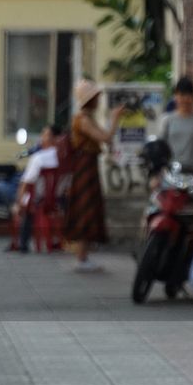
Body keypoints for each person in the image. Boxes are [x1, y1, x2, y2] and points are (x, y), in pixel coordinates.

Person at [63, 79, 123, 272]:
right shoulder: (83, 120)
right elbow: (105, 138)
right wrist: (114, 119)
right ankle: (81, 257)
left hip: (87, 166)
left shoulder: (86, 118)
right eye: (96, 98)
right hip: (85, 167)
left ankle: (84, 255)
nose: (98, 100)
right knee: (84, 211)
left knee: (89, 209)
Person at [11, 124, 60, 252]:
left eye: (45, 135)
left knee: (20, 197)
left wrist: (19, 202)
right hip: (60, 197)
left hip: (39, 198)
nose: (42, 138)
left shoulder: (38, 158)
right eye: (42, 134)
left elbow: (26, 182)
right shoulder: (64, 157)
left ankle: (22, 243)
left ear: (55, 138)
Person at [158, 77, 193, 176]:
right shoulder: (166, 120)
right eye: (181, 95)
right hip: (171, 174)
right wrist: (159, 173)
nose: (185, 99)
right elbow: (161, 149)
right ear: (175, 96)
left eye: (188, 95)